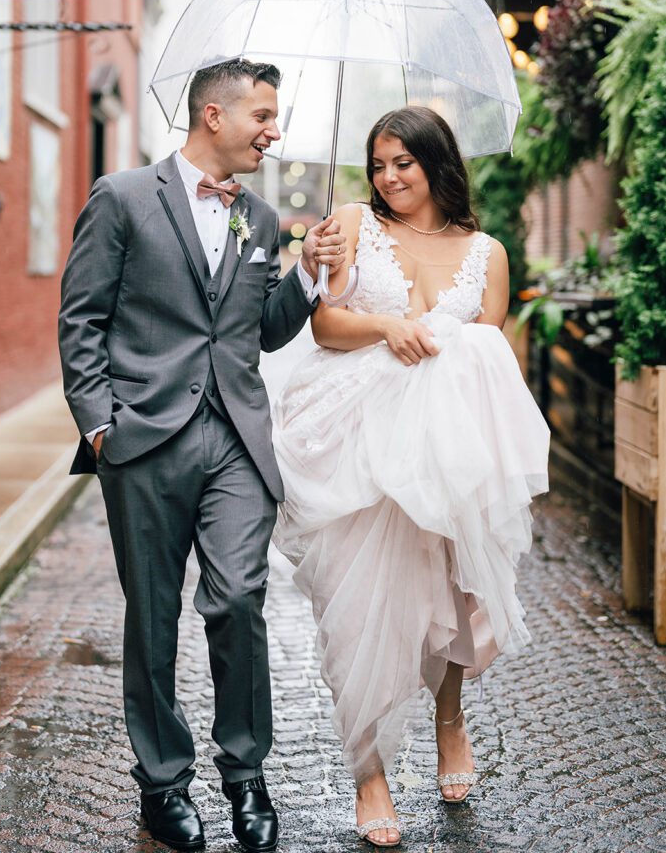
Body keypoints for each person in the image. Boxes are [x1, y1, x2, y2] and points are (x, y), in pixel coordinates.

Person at [58, 58, 346, 853]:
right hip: (143, 438)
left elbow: (261, 328)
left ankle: (246, 776)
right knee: (152, 617)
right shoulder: (122, 197)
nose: (274, 130)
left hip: (235, 443)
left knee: (237, 599)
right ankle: (162, 785)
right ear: (213, 116)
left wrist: (309, 276)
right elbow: (81, 318)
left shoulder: (257, 213)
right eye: (262, 115)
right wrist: (99, 424)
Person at [272, 107, 549, 848]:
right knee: (362, 604)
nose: (389, 178)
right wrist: (387, 325)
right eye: (379, 165)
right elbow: (327, 325)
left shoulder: (486, 252)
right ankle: (369, 771)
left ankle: (449, 720)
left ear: (436, 163)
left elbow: (489, 361)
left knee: (455, 595)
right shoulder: (353, 225)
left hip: (447, 449)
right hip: (361, 443)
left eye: (404, 163)